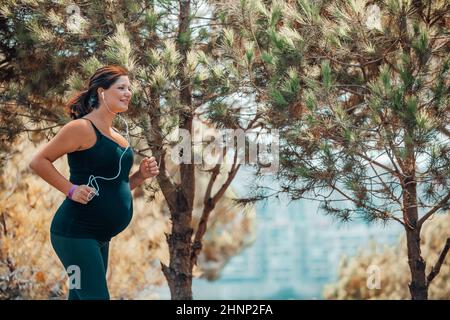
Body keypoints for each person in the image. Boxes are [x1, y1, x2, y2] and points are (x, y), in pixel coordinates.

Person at [29, 65, 159, 300]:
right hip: (75, 234)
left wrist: (140, 176)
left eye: (129, 88)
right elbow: (39, 161)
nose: (128, 93)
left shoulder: (118, 136)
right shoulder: (81, 128)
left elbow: (114, 187)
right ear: (101, 92)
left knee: (80, 297)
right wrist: (71, 190)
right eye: (121, 88)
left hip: (100, 237)